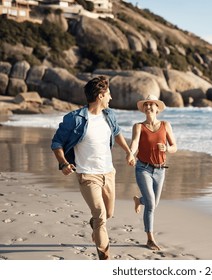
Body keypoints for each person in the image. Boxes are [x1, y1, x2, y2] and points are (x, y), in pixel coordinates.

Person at [51, 76, 135, 260]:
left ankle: (96, 227)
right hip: (88, 176)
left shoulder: (110, 115)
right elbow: (57, 142)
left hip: (109, 173)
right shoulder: (75, 119)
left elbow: (118, 133)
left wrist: (128, 151)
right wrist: (64, 163)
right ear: (100, 96)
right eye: (109, 94)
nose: (111, 98)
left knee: (108, 214)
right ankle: (104, 258)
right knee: (100, 215)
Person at [130, 95, 177, 250]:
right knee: (151, 204)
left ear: (157, 109)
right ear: (143, 109)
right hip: (143, 168)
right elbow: (135, 143)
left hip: (160, 170)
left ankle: (139, 200)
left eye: (152, 105)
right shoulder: (138, 126)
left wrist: (167, 149)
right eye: (146, 105)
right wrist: (130, 153)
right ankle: (150, 238)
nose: (149, 107)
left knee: (153, 203)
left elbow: (174, 146)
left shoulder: (166, 125)